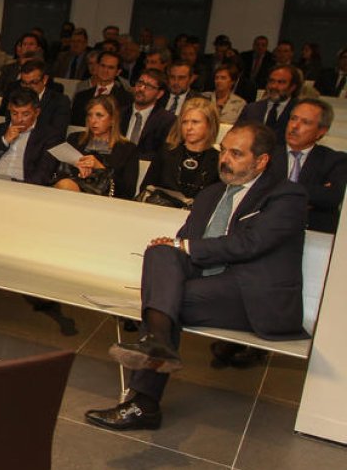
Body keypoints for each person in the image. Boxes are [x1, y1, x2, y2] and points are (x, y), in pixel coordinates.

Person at [85, 122, 306, 431]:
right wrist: (173, 246)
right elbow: (183, 244)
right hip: (206, 283)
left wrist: (183, 246)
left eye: (236, 154)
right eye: (223, 151)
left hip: (251, 293)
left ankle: (147, 388)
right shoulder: (211, 194)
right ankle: (157, 346)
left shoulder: (286, 196)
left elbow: (250, 244)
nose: (225, 159)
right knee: (160, 253)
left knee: (163, 304)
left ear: (261, 161)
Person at [265, 98, 347, 233]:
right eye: (293, 119)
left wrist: (277, 188)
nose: (295, 126)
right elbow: (254, 189)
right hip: (264, 226)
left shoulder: (335, 160)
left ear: (322, 131)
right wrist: (311, 194)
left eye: (305, 122)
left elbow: (331, 197)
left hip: (310, 230)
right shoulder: (266, 153)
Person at [55, 95, 139, 198]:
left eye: (99, 115)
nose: (93, 121)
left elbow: (128, 191)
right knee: (65, 184)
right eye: (90, 115)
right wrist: (78, 168)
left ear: (112, 119)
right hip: (73, 189)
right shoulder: (75, 139)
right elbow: (60, 173)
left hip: (106, 199)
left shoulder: (127, 149)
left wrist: (100, 168)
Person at [0, 88, 64, 185]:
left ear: (37, 112)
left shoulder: (50, 135)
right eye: (14, 113)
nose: (19, 119)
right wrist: (4, 140)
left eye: (25, 114)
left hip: (23, 186)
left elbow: (44, 174)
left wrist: (20, 187)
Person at [141, 98, 221, 201]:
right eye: (184, 122)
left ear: (210, 125)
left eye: (195, 122)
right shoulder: (166, 152)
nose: (189, 127)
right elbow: (146, 187)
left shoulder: (219, 160)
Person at [0, 59, 71, 136]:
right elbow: (7, 122)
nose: (28, 87)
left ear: (44, 79)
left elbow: (57, 132)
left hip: (42, 143)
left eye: (33, 82)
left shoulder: (60, 101)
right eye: (24, 83)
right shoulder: (14, 93)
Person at [121, 68, 175, 160]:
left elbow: (164, 155)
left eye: (148, 86)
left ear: (159, 94)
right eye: (140, 83)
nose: (141, 89)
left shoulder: (167, 120)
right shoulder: (120, 114)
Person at [70, 51, 132, 126]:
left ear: (118, 72)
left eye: (110, 67)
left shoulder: (126, 99)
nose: (105, 71)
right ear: (97, 67)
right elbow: (74, 124)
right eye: (103, 66)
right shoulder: (81, 96)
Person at [239, 65, 301, 137]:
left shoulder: (300, 110)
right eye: (271, 81)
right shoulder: (251, 109)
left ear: (292, 87)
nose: (274, 86)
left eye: (281, 82)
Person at [0, 32, 45, 97]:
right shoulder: (8, 68)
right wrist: (8, 99)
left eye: (31, 44)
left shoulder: (44, 69)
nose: (27, 47)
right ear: (20, 47)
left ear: (38, 48)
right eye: (24, 44)